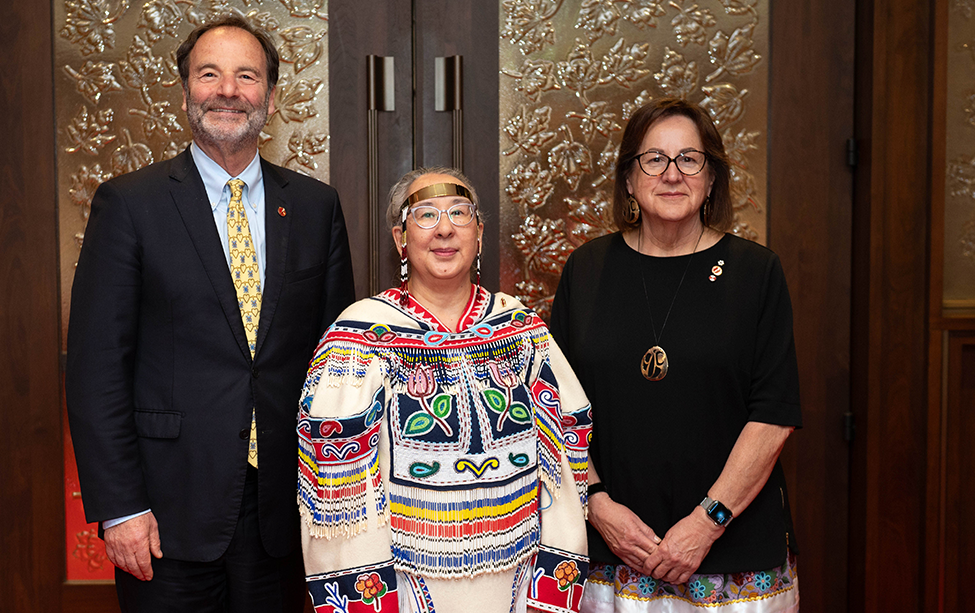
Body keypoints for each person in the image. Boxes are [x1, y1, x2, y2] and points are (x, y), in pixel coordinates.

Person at [65, 14, 355, 613]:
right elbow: (97, 370)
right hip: (165, 513)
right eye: (210, 74)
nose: (228, 90)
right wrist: (121, 507)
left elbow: (340, 370)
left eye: (246, 76)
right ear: (184, 93)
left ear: (271, 100)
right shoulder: (130, 204)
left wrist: (340, 499)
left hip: (284, 513)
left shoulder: (314, 207)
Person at [296, 167, 591, 613]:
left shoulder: (521, 329)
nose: (445, 229)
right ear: (400, 238)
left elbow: (565, 460)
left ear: (479, 234)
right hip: (403, 581)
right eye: (426, 216)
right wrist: (369, 596)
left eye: (460, 213)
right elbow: (339, 496)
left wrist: (552, 583)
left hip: (519, 575)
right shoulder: (359, 335)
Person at [548, 98, 801, 612]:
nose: (671, 174)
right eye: (654, 159)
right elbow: (554, 409)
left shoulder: (756, 273)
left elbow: (774, 416)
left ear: (711, 179)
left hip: (735, 554)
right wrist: (597, 505)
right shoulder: (587, 270)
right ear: (628, 178)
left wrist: (707, 523)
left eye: (690, 159)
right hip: (612, 551)